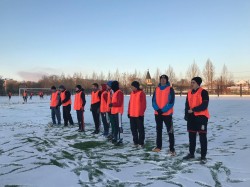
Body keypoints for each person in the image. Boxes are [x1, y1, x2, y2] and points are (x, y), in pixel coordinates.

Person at [183, 77, 210, 163]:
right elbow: (187, 105)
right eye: (191, 82)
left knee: (202, 137)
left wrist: (194, 109)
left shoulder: (204, 92)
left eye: (193, 82)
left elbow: (204, 105)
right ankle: (191, 154)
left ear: (198, 83)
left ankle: (203, 156)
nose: (192, 84)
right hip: (192, 118)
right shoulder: (189, 93)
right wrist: (186, 115)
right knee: (191, 137)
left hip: (201, 118)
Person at [152, 74, 176, 156]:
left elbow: (171, 102)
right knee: (158, 130)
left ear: (166, 80)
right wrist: (157, 109)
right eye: (161, 79)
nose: (162, 80)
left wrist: (163, 110)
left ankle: (172, 149)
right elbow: (153, 101)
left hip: (167, 114)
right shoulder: (156, 89)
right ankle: (158, 146)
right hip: (158, 113)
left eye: (164, 79)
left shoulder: (170, 89)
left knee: (170, 131)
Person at [128, 81, 146, 148]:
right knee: (133, 129)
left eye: (132, 86)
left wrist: (141, 114)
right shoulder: (132, 93)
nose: (131, 88)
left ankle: (141, 143)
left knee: (140, 129)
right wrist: (129, 112)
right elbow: (130, 104)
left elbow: (143, 105)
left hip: (138, 115)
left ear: (136, 86)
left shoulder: (141, 93)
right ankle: (135, 142)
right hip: (132, 114)